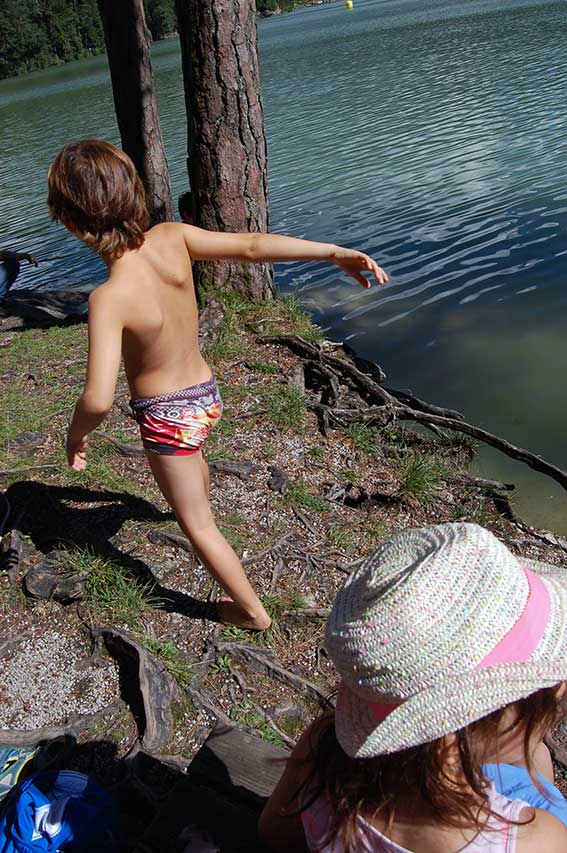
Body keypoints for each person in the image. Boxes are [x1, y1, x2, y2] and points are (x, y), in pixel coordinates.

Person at [47, 139, 388, 631]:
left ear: (73, 223)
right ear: (133, 193)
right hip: (206, 395)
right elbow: (251, 246)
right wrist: (332, 252)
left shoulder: (110, 297)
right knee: (195, 461)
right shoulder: (172, 237)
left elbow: (98, 398)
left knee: (198, 524)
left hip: (168, 416)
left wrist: (76, 436)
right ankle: (193, 497)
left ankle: (252, 612)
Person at [259, 522, 567, 851]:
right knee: (539, 764)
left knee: (537, 757)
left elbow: (273, 834)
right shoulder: (535, 840)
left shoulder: (322, 748)